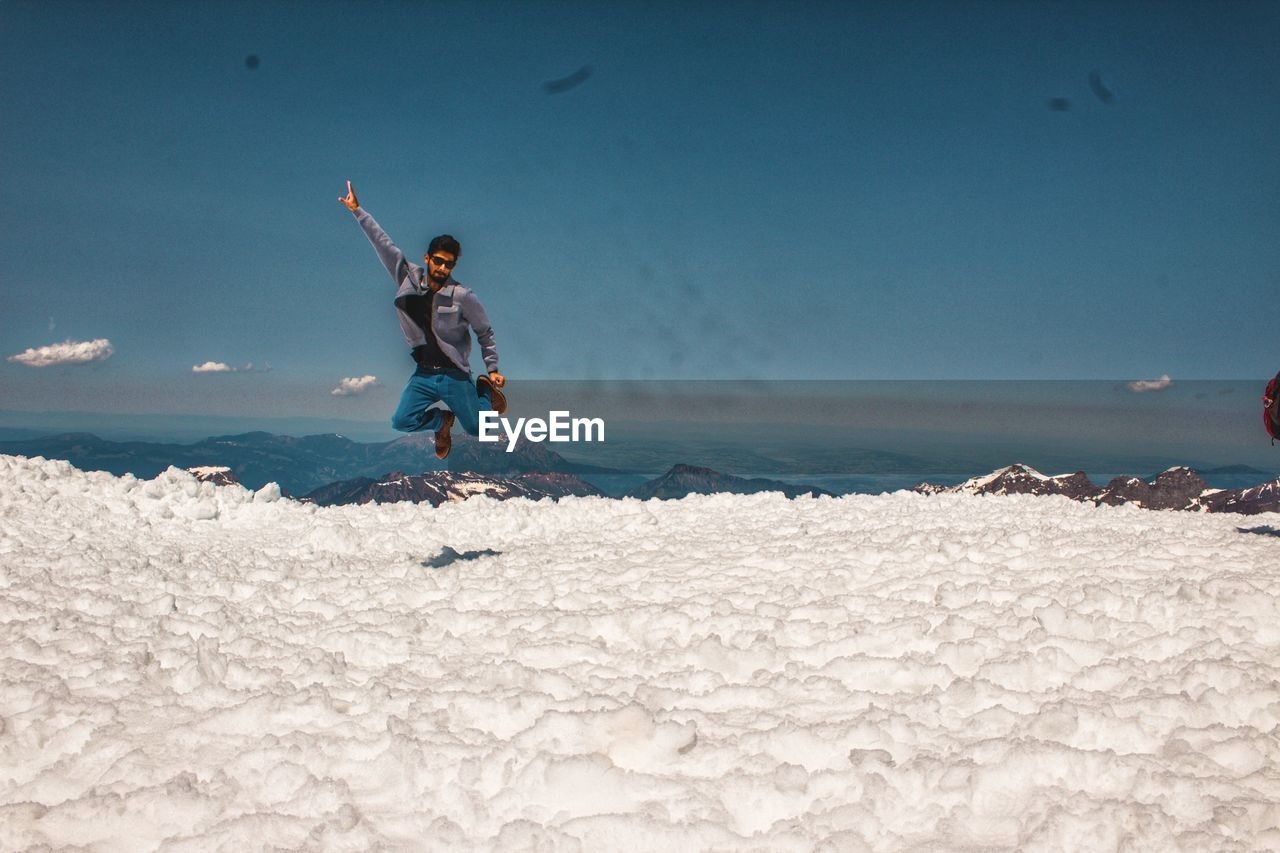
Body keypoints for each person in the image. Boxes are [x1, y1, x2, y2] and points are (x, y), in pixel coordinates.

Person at [339, 181, 506, 459]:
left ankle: (485, 394)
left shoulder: (463, 296)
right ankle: (443, 422)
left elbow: (484, 332)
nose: (442, 268)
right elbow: (383, 244)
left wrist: (492, 369)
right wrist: (358, 211)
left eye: (449, 264)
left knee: (481, 429)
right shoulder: (407, 276)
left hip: (454, 374)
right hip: (425, 374)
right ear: (427, 258)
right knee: (401, 421)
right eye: (438, 261)